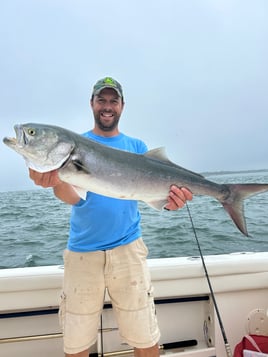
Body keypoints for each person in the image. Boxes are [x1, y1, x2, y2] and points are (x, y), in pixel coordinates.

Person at [29, 77, 193, 357]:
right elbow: (73, 198)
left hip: (128, 250)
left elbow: (155, 195)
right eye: (101, 100)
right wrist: (56, 182)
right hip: (83, 252)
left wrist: (172, 203)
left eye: (113, 101)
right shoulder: (75, 146)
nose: (107, 106)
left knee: (145, 336)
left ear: (122, 106)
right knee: (77, 342)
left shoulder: (137, 146)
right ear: (92, 104)